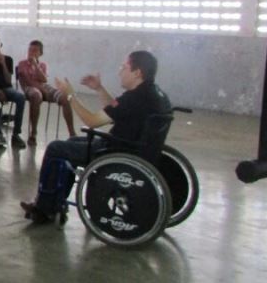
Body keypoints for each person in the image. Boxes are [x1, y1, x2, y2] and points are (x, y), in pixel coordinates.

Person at [20, 51, 171, 224]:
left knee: (55, 148)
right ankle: (56, 202)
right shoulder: (153, 94)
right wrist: (99, 88)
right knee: (71, 142)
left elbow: (91, 121)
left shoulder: (135, 98)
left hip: (114, 151)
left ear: (137, 73)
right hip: (133, 148)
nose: (120, 72)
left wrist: (70, 95)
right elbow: (116, 108)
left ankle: (44, 207)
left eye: (124, 67)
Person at [16, 39, 76, 145]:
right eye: (30, 50)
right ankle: (33, 133)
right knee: (36, 95)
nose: (31, 52)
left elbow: (44, 80)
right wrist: (42, 90)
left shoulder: (42, 65)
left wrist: (36, 65)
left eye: (35, 50)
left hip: (44, 87)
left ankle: (72, 133)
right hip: (29, 88)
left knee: (65, 98)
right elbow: (27, 81)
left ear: (40, 53)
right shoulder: (22, 64)